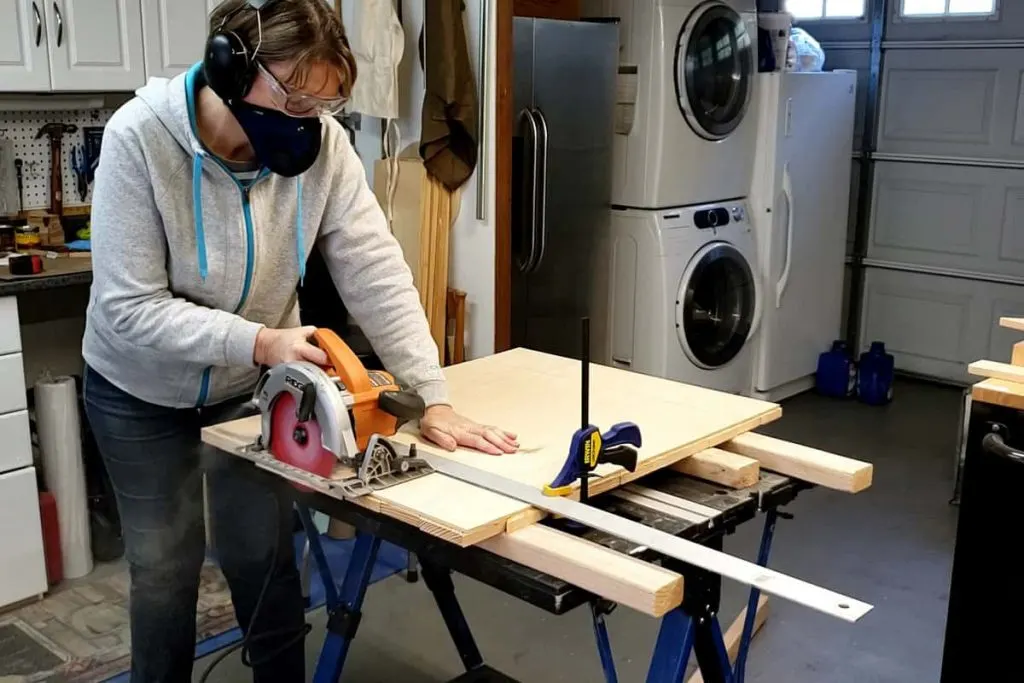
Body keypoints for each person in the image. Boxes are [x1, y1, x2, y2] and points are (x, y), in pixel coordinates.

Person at [81, 1, 517, 681]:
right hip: (139, 388)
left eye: (324, 103)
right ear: (232, 65)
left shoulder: (324, 147)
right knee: (165, 568)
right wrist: (261, 341)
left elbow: (375, 269)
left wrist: (431, 395)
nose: (308, 120)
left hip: (247, 391)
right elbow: (128, 308)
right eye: (295, 97)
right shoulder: (140, 138)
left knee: (264, 555)